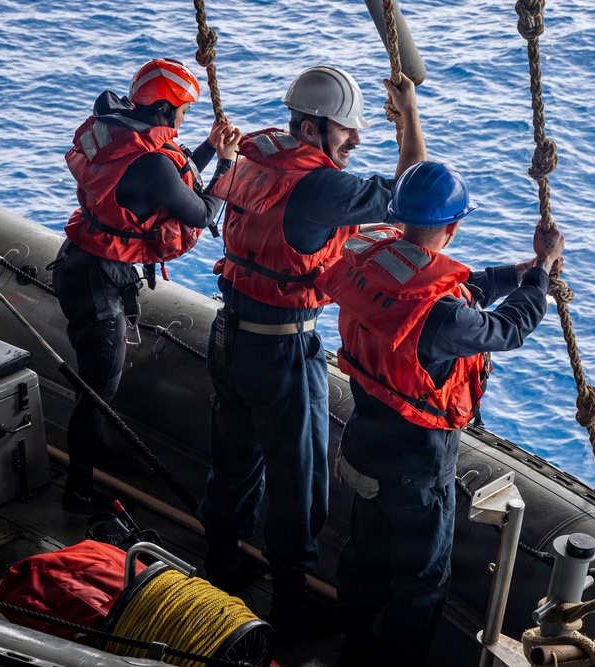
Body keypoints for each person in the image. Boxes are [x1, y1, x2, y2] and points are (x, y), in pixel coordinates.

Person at [195, 64, 426, 639]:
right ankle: (290, 603)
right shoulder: (321, 186)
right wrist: (410, 118)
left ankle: (219, 568)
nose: (355, 139)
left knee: (234, 465)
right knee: (298, 479)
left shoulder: (254, 159)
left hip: (229, 336)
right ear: (319, 125)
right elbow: (412, 201)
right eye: (348, 130)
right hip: (281, 350)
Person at [314, 160, 565, 667]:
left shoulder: (372, 262)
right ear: (452, 226)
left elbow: (456, 290)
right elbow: (507, 328)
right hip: (416, 469)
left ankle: (354, 645)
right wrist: (541, 275)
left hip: (364, 445)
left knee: (365, 556)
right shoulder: (442, 316)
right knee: (423, 579)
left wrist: (517, 273)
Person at [51, 58, 241, 514]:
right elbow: (201, 212)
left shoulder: (124, 133)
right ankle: (77, 492)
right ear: (161, 109)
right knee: (98, 389)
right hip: (98, 280)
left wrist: (209, 149)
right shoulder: (150, 161)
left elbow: (165, 177)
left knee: (98, 383)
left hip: (83, 262)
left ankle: (93, 449)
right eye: (181, 111)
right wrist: (229, 165)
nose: (183, 119)